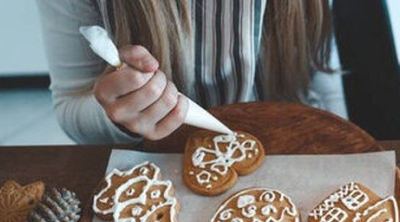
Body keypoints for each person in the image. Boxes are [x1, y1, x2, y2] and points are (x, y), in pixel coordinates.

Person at [36, 0, 345, 144]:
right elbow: (70, 105)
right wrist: (123, 112)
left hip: (286, 139)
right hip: (156, 157)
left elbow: (323, 77)